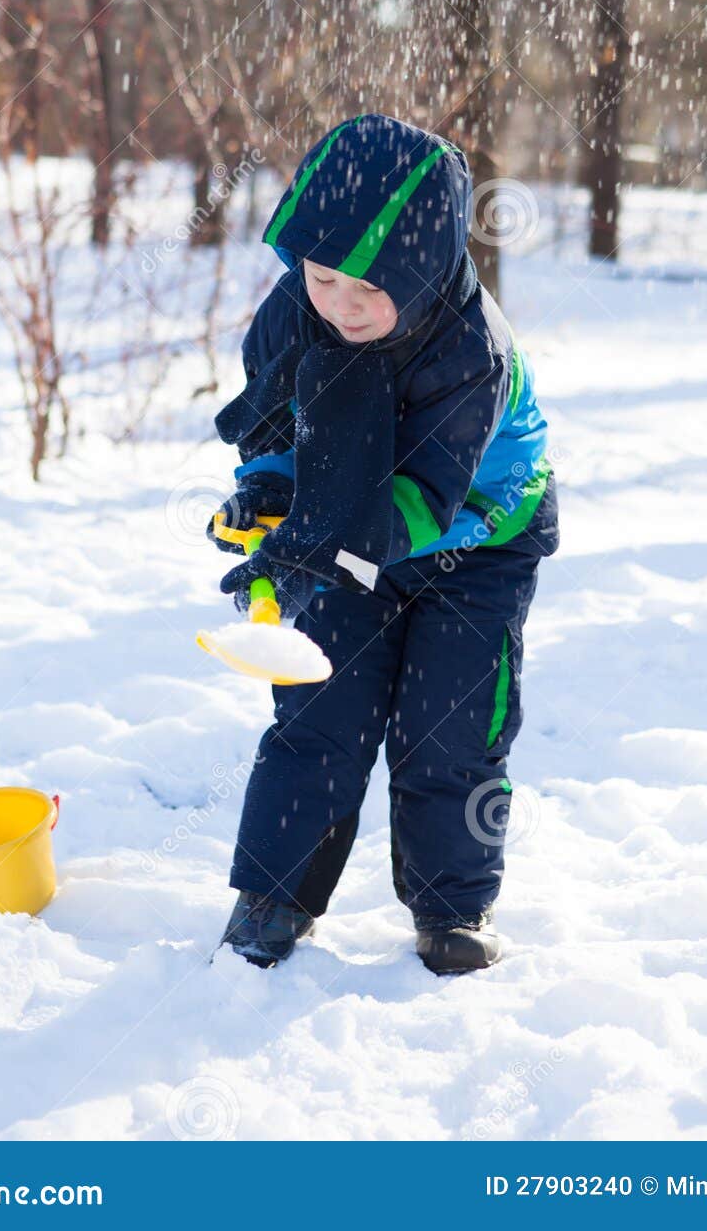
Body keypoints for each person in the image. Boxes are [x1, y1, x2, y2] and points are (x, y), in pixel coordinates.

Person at [207, 114, 558, 974]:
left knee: (449, 727)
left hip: (473, 543)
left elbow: (425, 496)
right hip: (345, 530)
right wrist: (274, 490)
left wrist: (320, 543)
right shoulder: (296, 312)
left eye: (371, 287)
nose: (343, 304)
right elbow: (279, 425)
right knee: (317, 712)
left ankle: (452, 909)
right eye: (326, 278)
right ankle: (275, 893)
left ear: (424, 268)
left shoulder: (470, 351)